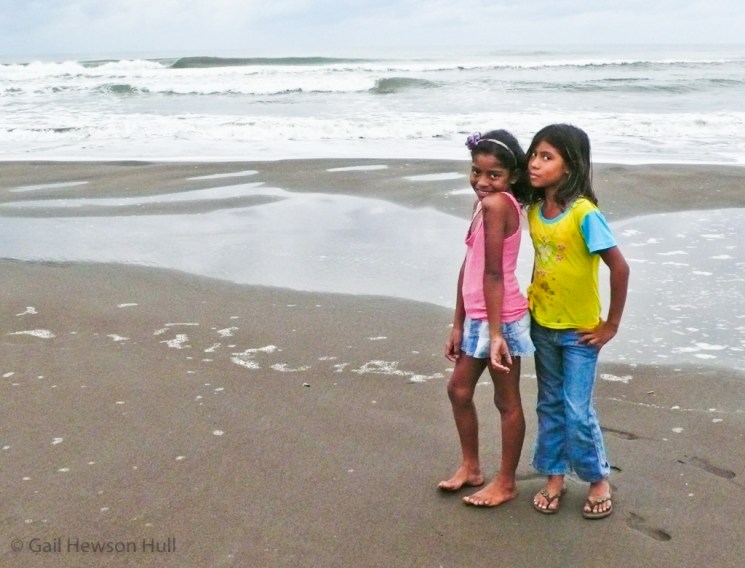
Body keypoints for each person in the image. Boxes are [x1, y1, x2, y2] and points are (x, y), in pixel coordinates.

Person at [525, 124, 630, 519]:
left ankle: (597, 477)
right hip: (542, 326)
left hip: (579, 334)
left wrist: (610, 326)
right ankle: (554, 476)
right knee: (549, 404)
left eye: (547, 156)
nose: (535, 162)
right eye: (534, 154)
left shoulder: (584, 213)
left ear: (570, 167)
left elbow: (620, 268)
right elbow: (542, 262)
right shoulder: (535, 212)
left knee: (576, 409)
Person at [438, 129, 535, 507]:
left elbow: (494, 273)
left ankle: (506, 482)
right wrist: (458, 323)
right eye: (476, 171)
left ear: (512, 175)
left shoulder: (499, 206)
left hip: (503, 319)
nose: (481, 181)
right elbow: (470, 264)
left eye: (493, 174)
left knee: (506, 401)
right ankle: (471, 467)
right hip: (479, 317)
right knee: (458, 389)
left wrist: (496, 334)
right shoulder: (483, 204)